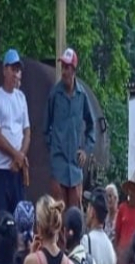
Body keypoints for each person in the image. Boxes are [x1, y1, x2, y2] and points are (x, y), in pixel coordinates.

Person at [45, 48, 95, 208]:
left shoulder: (82, 96)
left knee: (74, 214)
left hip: (75, 168)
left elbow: (91, 126)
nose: (64, 72)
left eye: (67, 68)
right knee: (57, 213)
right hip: (58, 166)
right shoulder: (54, 95)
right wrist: (53, 148)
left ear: (74, 70)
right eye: (63, 67)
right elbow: (45, 128)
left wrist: (85, 150)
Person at [0, 49, 31, 225]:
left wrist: (20, 157)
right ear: (4, 70)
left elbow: (27, 131)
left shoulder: (21, 98)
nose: (16, 74)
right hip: (2, 170)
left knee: (20, 222)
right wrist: (16, 155)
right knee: (1, 221)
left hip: (17, 171)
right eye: (13, 69)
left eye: (18, 70)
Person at [86, 190, 119, 264]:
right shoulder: (110, 247)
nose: (86, 211)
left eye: (88, 207)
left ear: (92, 212)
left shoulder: (86, 241)